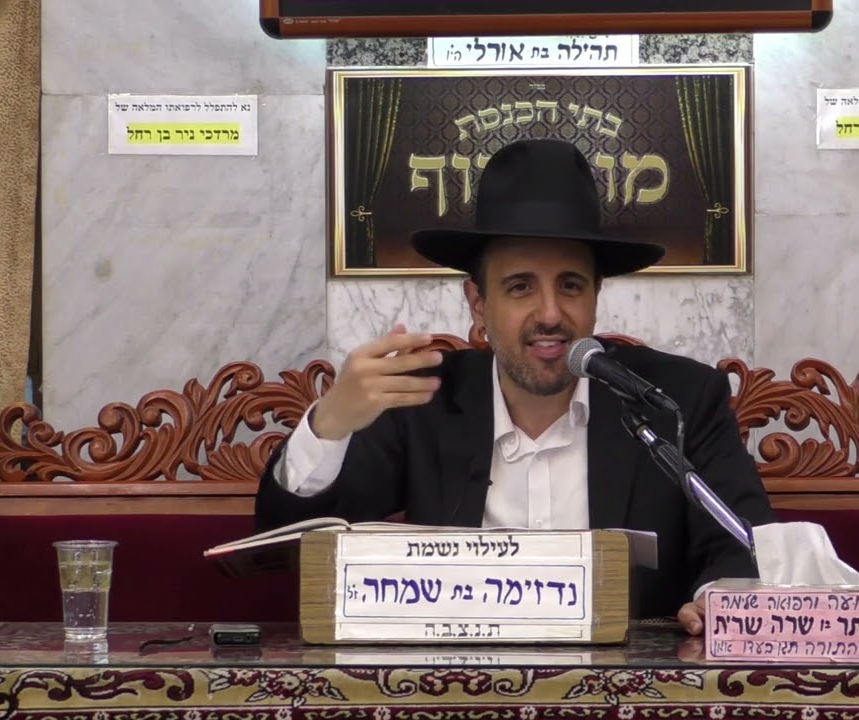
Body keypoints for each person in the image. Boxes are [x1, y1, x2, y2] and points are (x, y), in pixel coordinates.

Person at [254, 138, 774, 635]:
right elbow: (290, 547)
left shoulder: (677, 399)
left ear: (595, 295)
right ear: (478, 304)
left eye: (570, 285)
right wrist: (331, 423)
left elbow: (742, 541)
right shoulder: (423, 399)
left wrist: (719, 600)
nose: (549, 313)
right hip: (456, 680)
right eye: (520, 287)